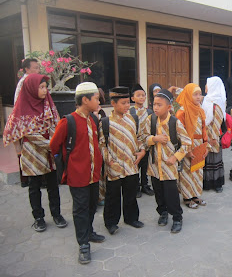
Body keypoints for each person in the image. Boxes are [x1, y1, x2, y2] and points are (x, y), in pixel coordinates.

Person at [3, 74, 67, 232]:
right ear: (31, 88)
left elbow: (56, 124)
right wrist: (51, 144)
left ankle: (57, 214)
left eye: (46, 87)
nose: (45, 91)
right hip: (32, 154)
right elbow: (24, 132)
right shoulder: (22, 107)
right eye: (41, 87)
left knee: (53, 185)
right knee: (34, 187)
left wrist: (54, 140)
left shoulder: (49, 105)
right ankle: (38, 218)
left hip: (49, 154)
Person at [50, 82, 105, 264]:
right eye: (96, 98)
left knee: (91, 206)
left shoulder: (94, 119)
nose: (99, 101)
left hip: (93, 174)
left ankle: (88, 232)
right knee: (80, 209)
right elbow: (54, 145)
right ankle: (83, 245)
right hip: (77, 175)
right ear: (85, 99)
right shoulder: (68, 121)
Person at [99, 86, 145, 235]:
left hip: (132, 164)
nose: (127, 106)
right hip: (115, 167)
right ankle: (111, 222)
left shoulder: (133, 119)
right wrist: (110, 161)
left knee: (131, 193)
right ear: (113, 103)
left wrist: (142, 151)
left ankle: (131, 218)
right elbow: (102, 145)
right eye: (123, 103)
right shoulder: (106, 122)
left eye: (127, 103)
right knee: (112, 196)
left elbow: (139, 138)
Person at [144, 89, 191, 233]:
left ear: (169, 107)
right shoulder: (150, 120)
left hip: (169, 167)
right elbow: (142, 138)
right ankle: (163, 213)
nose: (156, 108)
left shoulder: (174, 123)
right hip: (154, 166)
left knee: (171, 193)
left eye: (159, 105)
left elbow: (187, 143)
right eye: (154, 104)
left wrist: (175, 157)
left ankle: (177, 217)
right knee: (158, 192)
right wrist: (154, 139)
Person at [176, 83, 209, 209]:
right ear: (188, 95)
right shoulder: (182, 112)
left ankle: (195, 195)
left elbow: (204, 128)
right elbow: (180, 132)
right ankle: (187, 197)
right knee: (187, 172)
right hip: (188, 146)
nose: (198, 97)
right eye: (195, 94)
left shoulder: (200, 110)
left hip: (199, 145)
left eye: (200, 94)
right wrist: (187, 150)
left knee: (198, 171)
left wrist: (206, 146)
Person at [13, 58, 40, 188]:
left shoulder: (32, 80)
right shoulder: (25, 82)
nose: (38, 70)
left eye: (38, 67)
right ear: (27, 69)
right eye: (35, 67)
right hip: (27, 122)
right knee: (28, 151)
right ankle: (29, 179)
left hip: (32, 121)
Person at [202, 76, 226, 193]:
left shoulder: (217, 102)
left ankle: (217, 184)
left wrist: (213, 138)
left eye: (207, 84)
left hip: (213, 137)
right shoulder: (207, 100)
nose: (205, 86)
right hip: (205, 135)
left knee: (215, 159)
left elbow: (217, 122)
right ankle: (207, 183)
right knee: (207, 160)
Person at [130, 84, 155, 198]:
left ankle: (145, 185)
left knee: (145, 166)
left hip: (147, 143)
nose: (141, 97)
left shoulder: (149, 112)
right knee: (136, 166)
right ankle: (135, 187)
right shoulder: (130, 112)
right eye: (138, 95)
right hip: (135, 145)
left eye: (143, 95)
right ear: (132, 98)